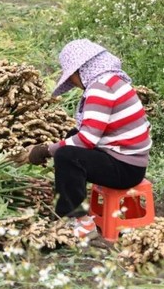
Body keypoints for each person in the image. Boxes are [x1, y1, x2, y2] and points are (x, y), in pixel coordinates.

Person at [27, 39, 151, 238]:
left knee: (67, 156)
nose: (74, 84)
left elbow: (87, 141)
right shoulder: (112, 81)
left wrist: (45, 151)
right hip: (129, 160)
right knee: (70, 139)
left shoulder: (101, 89)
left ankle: (79, 222)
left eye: (72, 78)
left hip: (126, 169)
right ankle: (73, 208)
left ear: (80, 70)